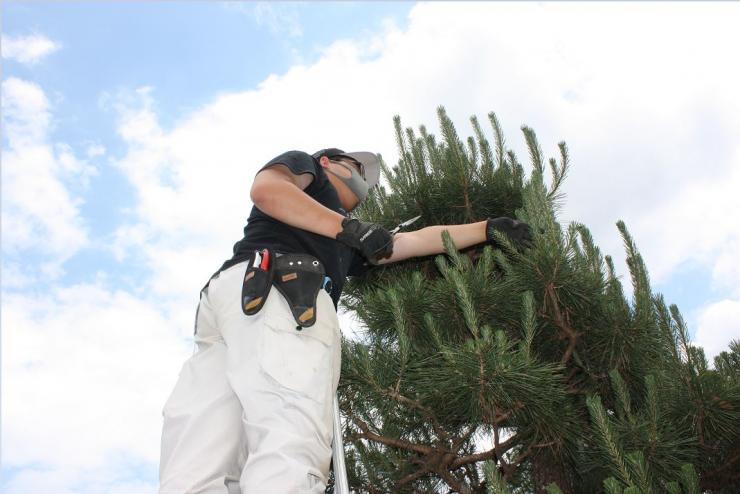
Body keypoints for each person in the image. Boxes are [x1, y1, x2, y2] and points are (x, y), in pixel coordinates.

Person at [158, 148, 532, 493]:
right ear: (325, 162)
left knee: (200, 449)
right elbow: (267, 190)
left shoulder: (344, 240)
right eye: (356, 168)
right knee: (290, 431)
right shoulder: (308, 172)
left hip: (233, 305)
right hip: (281, 290)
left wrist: (485, 229)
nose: (364, 182)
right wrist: (348, 228)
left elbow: (410, 241)